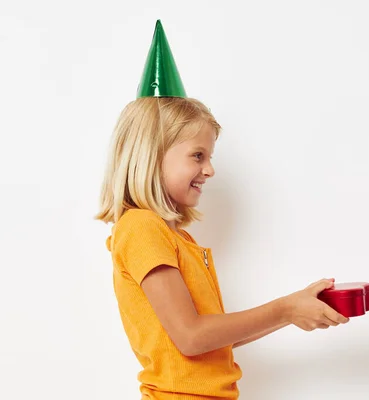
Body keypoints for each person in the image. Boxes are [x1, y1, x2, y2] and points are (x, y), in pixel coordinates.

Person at [96, 20, 348, 400]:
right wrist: (283, 310)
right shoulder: (142, 228)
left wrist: (294, 310)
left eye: (209, 157)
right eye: (198, 156)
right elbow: (192, 336)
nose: (209, 169)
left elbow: (208, 339)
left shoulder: (172, 237)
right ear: (152, 155)